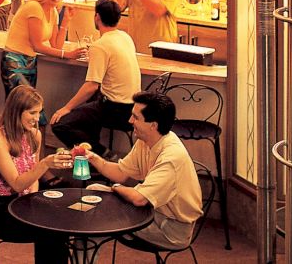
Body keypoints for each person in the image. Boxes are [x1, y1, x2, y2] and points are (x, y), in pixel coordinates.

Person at [84, 92, 204, 250]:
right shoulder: (146, 140)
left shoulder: (171, 157)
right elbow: (120, 172)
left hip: (171, 229)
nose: (130, 121)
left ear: (153, 125)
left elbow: (139, 199)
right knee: (93, 191)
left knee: (92, 217)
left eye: (135, 117)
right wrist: (93, 158)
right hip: (151, 212)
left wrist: (115, 188)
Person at [0, 85, 70, 263]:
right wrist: (45, 164)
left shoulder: (34, 135)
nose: (37, 119)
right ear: (16, 111)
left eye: (39, 112)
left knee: (62, 222)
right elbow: (16, 184)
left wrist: (33, 201)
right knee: (51, 231)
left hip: (24, 202)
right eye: (32, 113)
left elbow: (32, 181)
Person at [51, 0, 142, 154]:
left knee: (60, 124)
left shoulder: (100, 46)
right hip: (134, 106)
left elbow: (91, 86)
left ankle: (101, 153)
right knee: (91, 106)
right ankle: (94, 161)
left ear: (97, 17)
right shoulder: (125, 37)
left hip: (116, 111)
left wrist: (66, 108)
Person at [0, 0, 78, 100]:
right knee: (23, 106)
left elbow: (56, 45)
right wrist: (67, 55)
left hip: (31, 62)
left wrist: (66, 20)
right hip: (15, 60)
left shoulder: (53, 12)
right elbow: (37, 46)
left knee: (27, 107)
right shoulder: (34, 7)